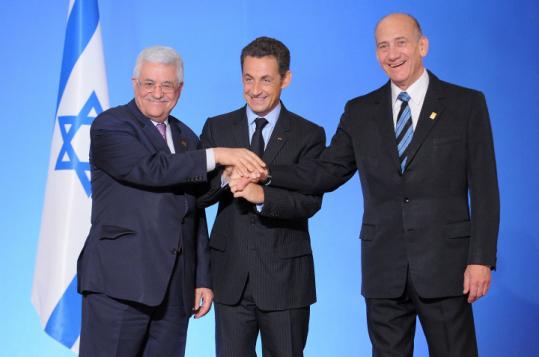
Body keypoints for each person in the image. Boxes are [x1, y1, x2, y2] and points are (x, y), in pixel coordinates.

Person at [233, 14, 500, 357]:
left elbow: (485, 188)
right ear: (376, 54)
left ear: (422, 45)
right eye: (383, 46)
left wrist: (480, 259)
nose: (392, 54)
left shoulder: (465, 104)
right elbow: (324, 172)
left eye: (400, 43)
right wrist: (264, 172)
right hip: (383, 269)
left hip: (446, 267)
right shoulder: (360, 111)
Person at [77, 45, 265, 356]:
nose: (158, 92)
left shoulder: (186, 137)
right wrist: (217, 154)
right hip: (119, 286)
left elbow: (194, 209)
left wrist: (202, 277)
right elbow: (152, 169)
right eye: (149, 83)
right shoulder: (111, 125)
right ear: (135, 83)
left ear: (180, 89)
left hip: (175, 292)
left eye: (167, 85)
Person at [198, 37, 326, 357]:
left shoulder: (309, 135)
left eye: (266, 79)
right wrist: (226, 177)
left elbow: (310, 202)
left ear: (286, 79)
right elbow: (196, 196)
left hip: (285, 282)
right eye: (248, 78)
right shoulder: (217, 128)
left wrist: (261, 197)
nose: (255, 89)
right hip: (230, 279)